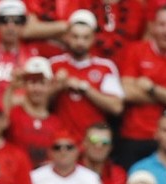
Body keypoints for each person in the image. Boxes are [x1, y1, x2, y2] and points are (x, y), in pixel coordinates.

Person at [117, 5, 166, 168]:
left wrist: (152, 88)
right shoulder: (135, 51)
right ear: (152, 27)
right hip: (135, 135)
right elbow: (127, 92)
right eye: (162, 24)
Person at [48, 10, 124, 140]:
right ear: (67, 37)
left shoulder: (106, 67)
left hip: (94, 141)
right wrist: (58, 86)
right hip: (62, 142)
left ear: (94, 38)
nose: (80, 42)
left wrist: (86, 89)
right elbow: (38, 103)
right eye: (75, 37)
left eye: (85, 37)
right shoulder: (54, 64)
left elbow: (117, 107)